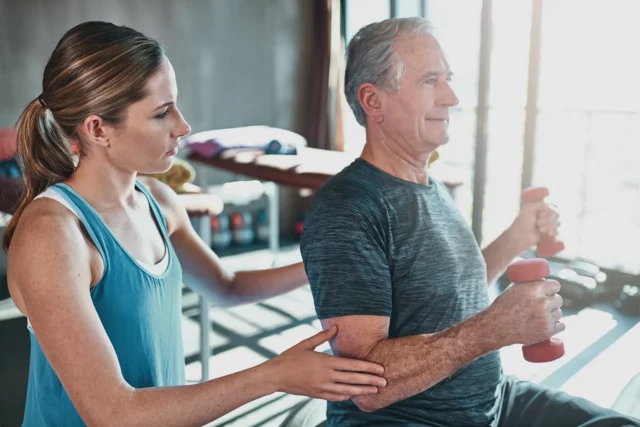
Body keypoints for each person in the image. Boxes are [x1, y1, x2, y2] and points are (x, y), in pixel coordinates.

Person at [4, 21, 388, 427]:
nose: (183, 126)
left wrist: (326, 266)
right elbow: (113, 413)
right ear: (98, 129)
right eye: (162, 112)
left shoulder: (159, 202)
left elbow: (226, 287)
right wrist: (274, 376)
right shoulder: (52, 233)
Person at [299, 17, 640, 427]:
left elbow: (452, 295)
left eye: (448, 79)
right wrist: (493, 329)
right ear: (373, 101)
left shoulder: (429, 185)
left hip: (494, 399)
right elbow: (368, 387)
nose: (452, 96)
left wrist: (518, 236)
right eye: (430, 81)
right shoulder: (348, 207)